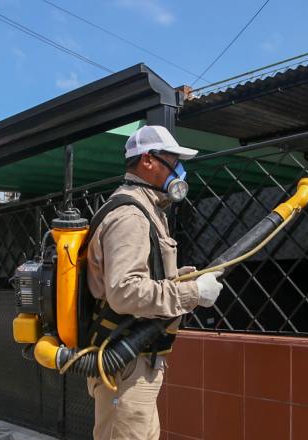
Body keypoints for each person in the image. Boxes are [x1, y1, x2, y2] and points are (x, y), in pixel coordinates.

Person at [86, 125, 224, 440]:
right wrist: (192, 293)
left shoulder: (148, 209)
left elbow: (151, 277)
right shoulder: (131, 216)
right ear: (148, 161)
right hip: (126, 363)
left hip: (137, 360)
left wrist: (192, 278)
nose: (179, 170)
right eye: (173, 161)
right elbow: (125, 292)